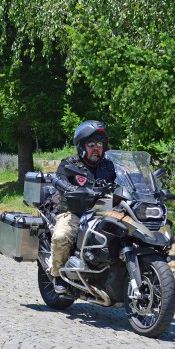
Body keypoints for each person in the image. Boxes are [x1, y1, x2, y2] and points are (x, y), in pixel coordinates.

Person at [50, 120, 117, 293]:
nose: (97, 148)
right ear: (81, 145)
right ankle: (58, 275)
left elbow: (125, 180)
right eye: (91, 144)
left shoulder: (109, 166)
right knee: (61, 236)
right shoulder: (70, 163)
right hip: (74, 212)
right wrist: (69, 187)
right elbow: (58, 179)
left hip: (105, 212)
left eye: (100, 144)